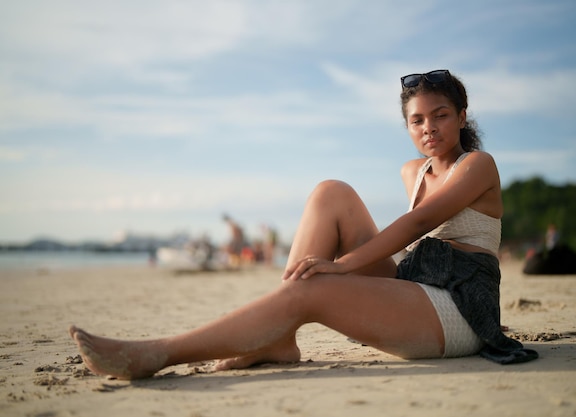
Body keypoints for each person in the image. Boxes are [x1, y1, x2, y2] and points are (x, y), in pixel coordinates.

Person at [69, 70, 537, 380]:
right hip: (419, 281)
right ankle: (277, 337)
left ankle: (160, 353)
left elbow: (420, 220)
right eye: (417, 120)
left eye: (440, 116)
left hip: (460, 306)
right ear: (407, 126)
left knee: (314, 287)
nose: (428, 128)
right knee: (330, 191)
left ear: (461, 116)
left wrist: (343, 265)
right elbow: (413, 233)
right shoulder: (411, 172)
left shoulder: (478, 164)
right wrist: (343, 264)